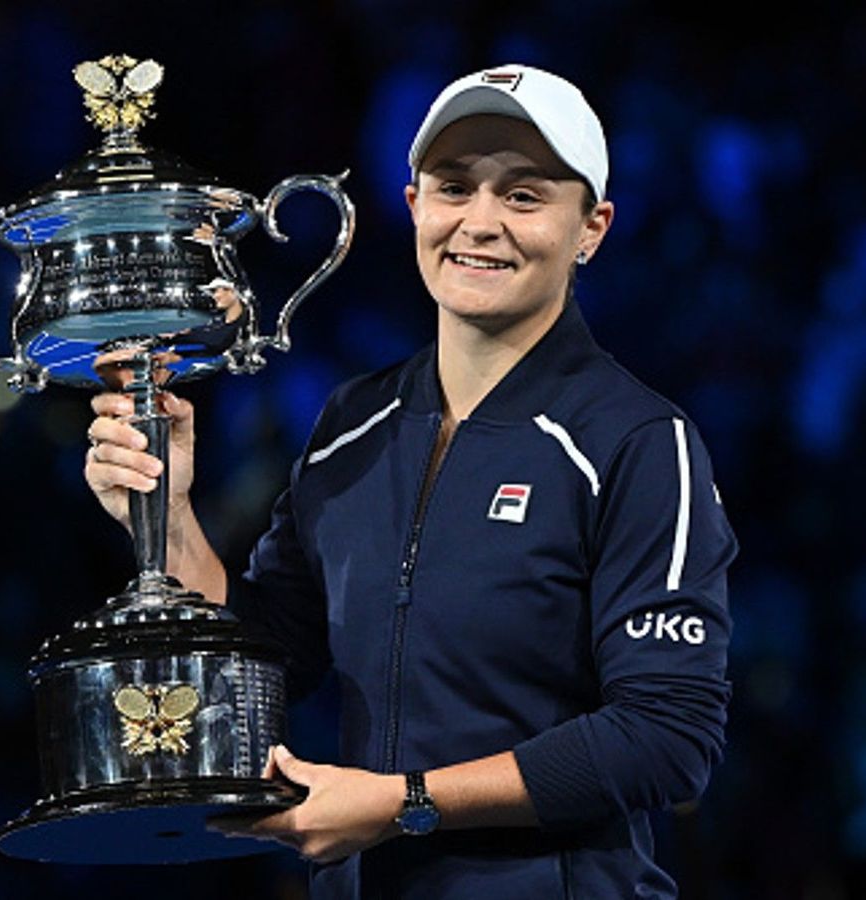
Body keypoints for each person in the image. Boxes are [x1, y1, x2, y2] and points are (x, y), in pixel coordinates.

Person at [85, 63, 737, 899]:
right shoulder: (353, 424)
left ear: (592, 228)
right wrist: (169, 515)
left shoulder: (638, 442)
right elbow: (268, 667)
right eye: (454, 187)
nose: (481, 222)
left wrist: (405, 804)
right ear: (414, 205)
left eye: (524, 196)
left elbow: (667, 737)